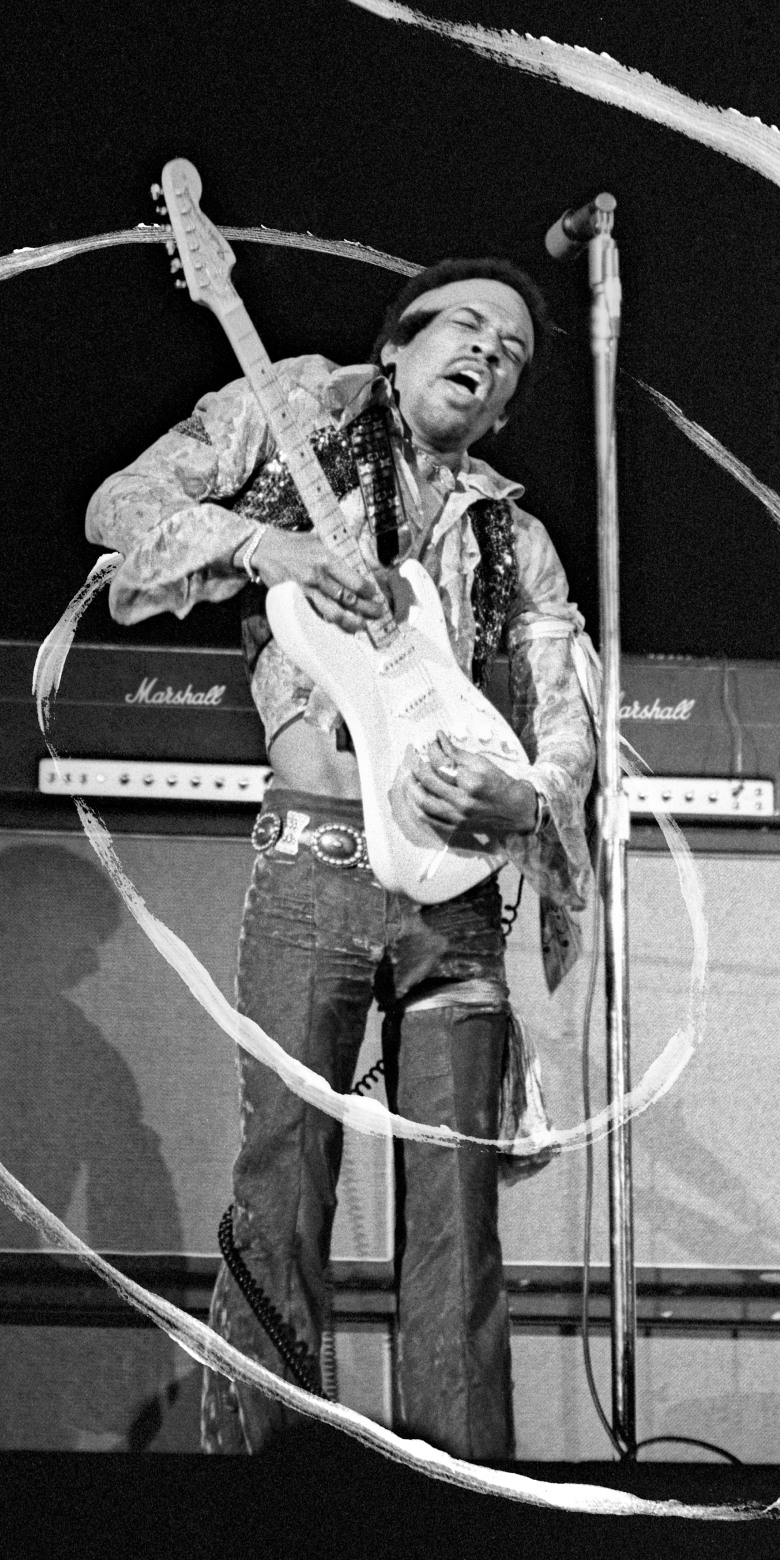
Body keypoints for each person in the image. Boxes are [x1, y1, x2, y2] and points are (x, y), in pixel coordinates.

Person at [86, 257, 597, 1463]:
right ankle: (252, 1495)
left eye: (513, 351)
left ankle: (468, 1502)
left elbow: (569, 731)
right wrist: (276, 552)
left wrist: (523, 799)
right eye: (467, 327)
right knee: (281, 1187)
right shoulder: (295, 416)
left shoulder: (518, 540)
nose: (487, 353)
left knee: (458, 1217)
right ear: (400, 347)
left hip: (458, 902)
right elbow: (121, 514)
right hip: (315, 863)